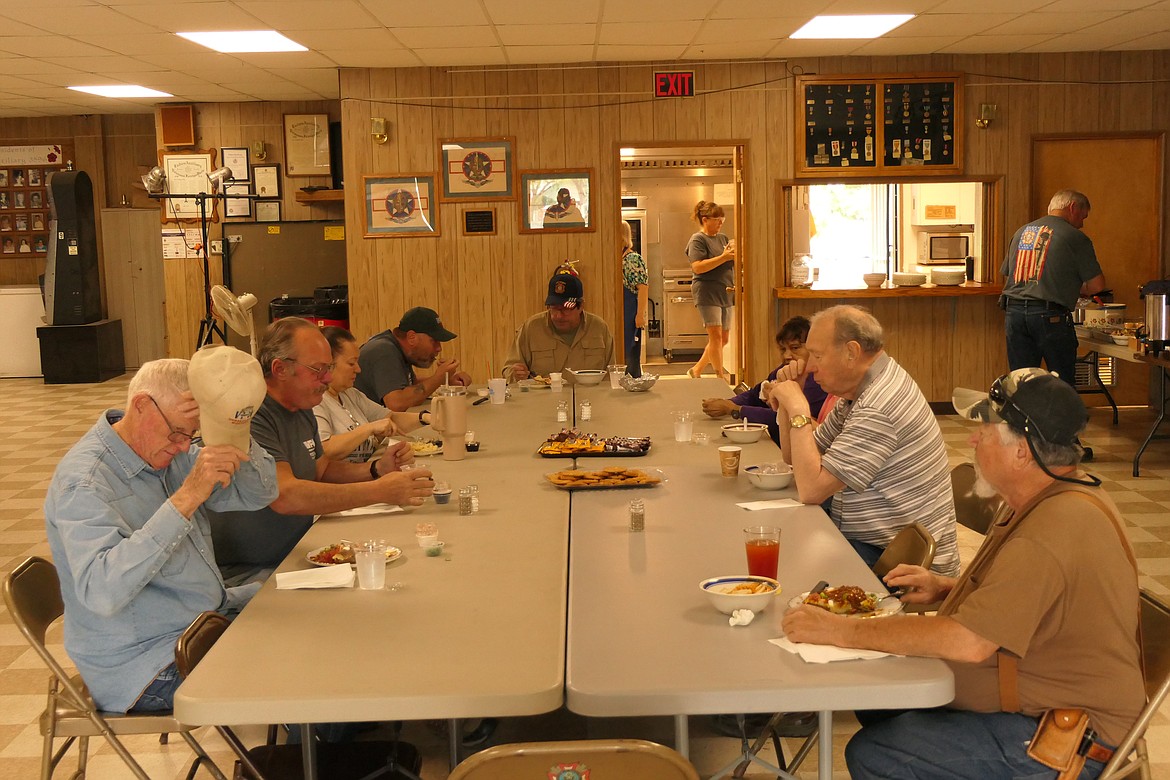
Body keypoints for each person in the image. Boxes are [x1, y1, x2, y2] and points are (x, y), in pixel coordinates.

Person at [783, 367, 1143, 780]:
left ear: (1022, 452)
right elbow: (1042, 597)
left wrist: (837, 631)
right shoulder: (1047, 499)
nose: (972, 439)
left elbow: (968, 642)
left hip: (1066, 738)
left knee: (878, 753)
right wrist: (947, 587)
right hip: (1041, 712)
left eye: (985, 430)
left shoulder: (1054, 527)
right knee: (879, 696)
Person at [43, 355, 277, 713]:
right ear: (141, 406)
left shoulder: (165, 449)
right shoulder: (85, 484)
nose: (185, 446)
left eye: (193, 434)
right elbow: (101, 591)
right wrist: (186, 497)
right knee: (289, 668)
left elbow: (258, 493)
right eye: (178, 432)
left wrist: (233, 422)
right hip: (145, 662)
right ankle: (303, 759)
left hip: (200, 618)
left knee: (300, 610)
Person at [209, 318, 435, 578]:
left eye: (328, 368)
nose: (327, 378)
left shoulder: (301, 407)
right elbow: (286, 496)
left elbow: (319, 470)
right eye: (318, 369)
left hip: (297, 550)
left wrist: (375, 469)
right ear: (280, 369)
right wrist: (378, 491)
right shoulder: (251, 415)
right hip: (253, 571)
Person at [766, 305, 959, 575]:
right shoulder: (861, 388)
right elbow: (795, 460)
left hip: (894, 560)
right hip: (874, 540)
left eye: (817, 356)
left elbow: (811, 490)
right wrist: (790, 402)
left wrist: (799, 408)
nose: (809, 366)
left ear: (851, 352)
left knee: (779, 561)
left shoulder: (879, 406)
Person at [1001, 189, 1106, 386]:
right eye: (1083, 217)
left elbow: (1011, 273)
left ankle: (1025, 417)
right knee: (1062, 382)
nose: (1082, 224)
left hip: (1013, 313)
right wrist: (1076, 288)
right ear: (1073, 207)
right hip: (1049, 315)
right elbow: (1097, 285)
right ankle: (1061, 417)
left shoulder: (1021, 232)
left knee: (1021, 381)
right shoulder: (1075, 237)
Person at [702, 316, 832, 447]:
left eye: (795, 348)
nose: (787, 355)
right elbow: (754, 394)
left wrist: (735, 410)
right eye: (783, 349)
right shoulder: (783, 370)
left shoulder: (820, 382)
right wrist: (728, 403)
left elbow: (786, 420)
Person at [315, 326, 429, 463]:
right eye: (351, 363)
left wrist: (427, 418)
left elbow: (389, 418)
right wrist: (368, 429)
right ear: (328, 364)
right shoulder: (316, 402)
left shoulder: (350, 394)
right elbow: (325, 450)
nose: (358, 369)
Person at [503, 266, 614, 382]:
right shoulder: (531, 328)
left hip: (591, 398)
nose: (558, 316)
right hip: (542, 399)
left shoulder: (599, 329)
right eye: (554, 308)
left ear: (580, 306)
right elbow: (507, 371)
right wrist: (515, 374)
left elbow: (611, 375)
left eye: (565, 309)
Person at [354, 306, 472, 412]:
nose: (439, 348)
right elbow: (396, 403)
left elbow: (408, 385)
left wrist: (446, 380)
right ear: (411, 337)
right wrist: (438, 378)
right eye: (434, 341)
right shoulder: (384, 351)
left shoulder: (396, 348)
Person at [684, 200, 737, 381]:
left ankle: (697, 369)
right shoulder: (698, 240)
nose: (721, 223)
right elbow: (697, 267)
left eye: (722, 220)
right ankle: (719, 377)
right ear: (705, 219)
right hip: (707, 292)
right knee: (715, 337)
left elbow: (730, 262)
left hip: (726, 291)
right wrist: (723, 257)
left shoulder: (723, 238)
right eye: (717, 220)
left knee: (724, 339)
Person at [619, 220, 648, 378]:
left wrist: (639, 315)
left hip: (630, 312)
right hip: (620, 312)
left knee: (631, 354)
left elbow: (642, 287)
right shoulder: (617, 257)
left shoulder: (632, 259)